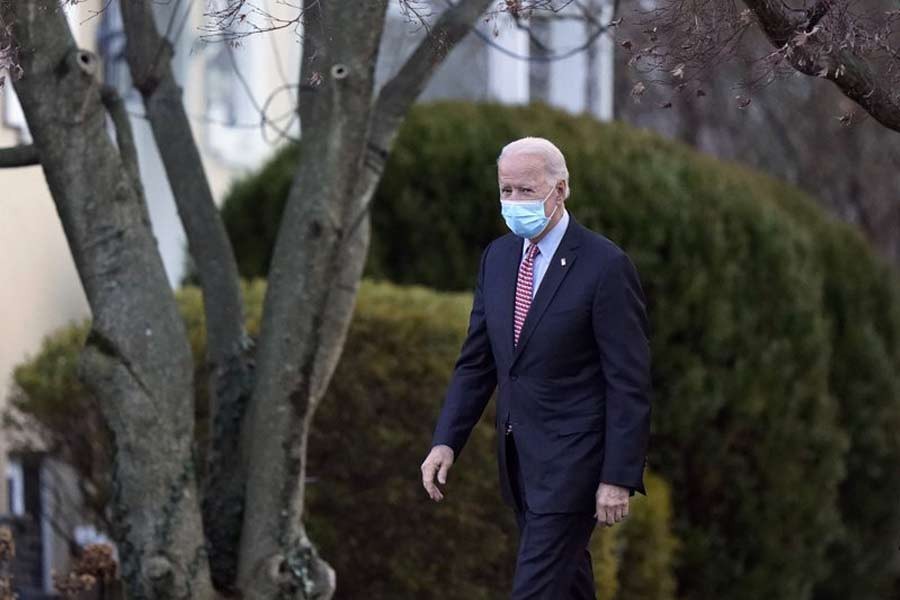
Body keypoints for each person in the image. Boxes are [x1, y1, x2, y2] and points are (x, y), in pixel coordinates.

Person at [420, 137, 652, 599]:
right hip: (521, 462)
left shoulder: (605, 265)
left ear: (560, 190)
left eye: (526, 191)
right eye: (506, 191)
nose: (513, 203)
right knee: (567, 586)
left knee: (535, 589)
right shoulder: (498, 258)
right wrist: (446, 440)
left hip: (575, 464)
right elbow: (477, 362)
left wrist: (619, 476)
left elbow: (628, 381)